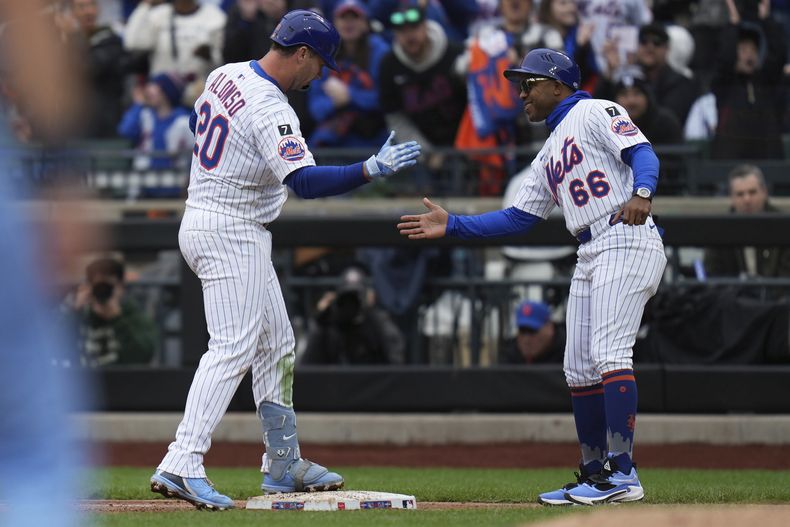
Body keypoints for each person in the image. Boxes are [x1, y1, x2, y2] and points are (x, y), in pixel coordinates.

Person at [149, 9, 421, 510]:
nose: (319, 74)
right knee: (232, 347)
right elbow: (305, 183)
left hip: (212, 217)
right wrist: (369, 168)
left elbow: (196, 121)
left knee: (277, 342)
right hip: (231, 228)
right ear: (301, 54)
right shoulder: (271, 106)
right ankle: (181, 460)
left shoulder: (225, 73)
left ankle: (282, 461)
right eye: (319, 64)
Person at [397, 48, 666, 506]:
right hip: (590, 247)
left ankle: (623, 474)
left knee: (608, 353)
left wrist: (642, 191)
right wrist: (455, 224)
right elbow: (520, 218)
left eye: (529, 83)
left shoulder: (594, 109)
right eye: (519, 85)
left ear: (558, 85)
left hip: (625, 235)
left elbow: (641, 151)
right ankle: (596, 472)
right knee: (578, 368)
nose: (521, 93)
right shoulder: (548, 151)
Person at [377, 1, 466, 190]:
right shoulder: (389, 66)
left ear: (426, 26)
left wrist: (456, 149)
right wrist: (425, 152)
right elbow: (395, 117)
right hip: (420, 149)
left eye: (414, 27)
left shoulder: (454, 54)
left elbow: (474, 105)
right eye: (402, 30)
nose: (409, 35)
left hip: (463, 144)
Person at [307, 0, 390, 148]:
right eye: (343, 18)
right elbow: (316, 108)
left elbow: (387, 100)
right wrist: (334, 102)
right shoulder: (323, 53)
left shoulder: (380, 51)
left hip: (374, 137)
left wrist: (349, 96)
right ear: (334, 23)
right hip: (334, 141)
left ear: (365, 23)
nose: (349, 23)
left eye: (355, 18)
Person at [61, 256, 159, 367]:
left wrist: (116, 318)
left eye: (108, 286)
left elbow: (143, 356)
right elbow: (52, 348)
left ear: (121, 287)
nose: (103, 291)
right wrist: (75, 312)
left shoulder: (134, 316)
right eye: (98, 286)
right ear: (88, 287)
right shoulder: (80, 314)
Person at [301, 266, 405, 364]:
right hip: (336, 381)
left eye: (356, 298)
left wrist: (371, 313)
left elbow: (395, 361)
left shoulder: (376, 321)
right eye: (346, 299)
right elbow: (307, 364)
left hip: (371, 381)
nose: (350, 305)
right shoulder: (330, 325)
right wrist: (321, 318)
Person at [703, 165, 790, 278]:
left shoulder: (784, 225)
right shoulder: (720, 229)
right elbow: (713, 273)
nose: (747, 199)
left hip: (777, 294)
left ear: (764, 192)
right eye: (740, 194)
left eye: (752, 192)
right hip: (733, 294)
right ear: (732, 198)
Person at [117, 73, 193, 171]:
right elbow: (125, 131)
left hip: (174, 180)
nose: (148, 91)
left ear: (166, 92)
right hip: (144, 179)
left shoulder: (184, 120)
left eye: (155, 86)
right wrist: (139, 104)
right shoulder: (144, 115)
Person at [613, 67, 683, 145]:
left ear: (647, 97)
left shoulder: (666, 123)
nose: (631, 101)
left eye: (637, 93)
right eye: (624, 94)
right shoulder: (607, 126)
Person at [501, 300, 565, 364]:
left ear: (550, 328)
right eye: (522, 331)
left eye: (532, 331)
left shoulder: (568, 354)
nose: (526, 340)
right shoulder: (510, 355)